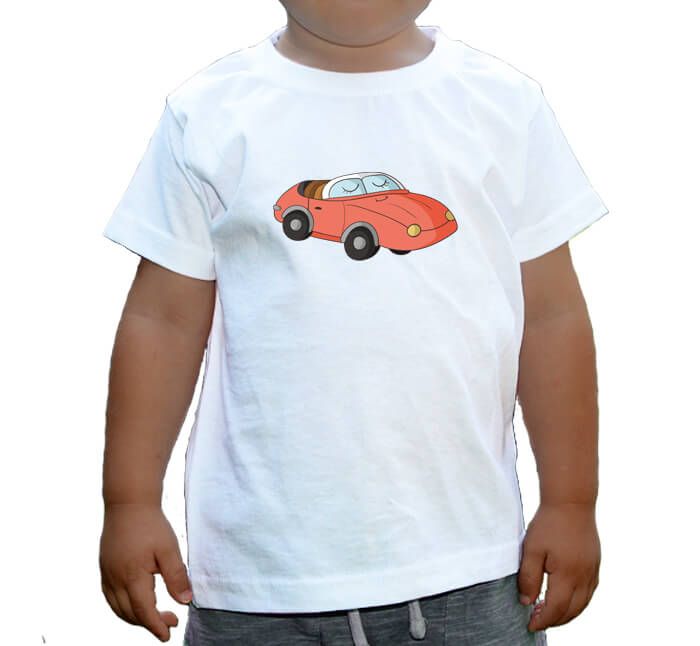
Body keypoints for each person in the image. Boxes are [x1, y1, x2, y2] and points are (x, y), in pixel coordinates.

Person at [99, 1, 606, 644]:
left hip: (470, 562)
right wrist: (130, 501)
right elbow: (162, 321)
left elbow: (552, 317)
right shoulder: (208, 113)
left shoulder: (503, 105)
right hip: (261, 579)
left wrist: (570, 502)